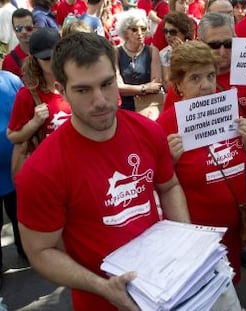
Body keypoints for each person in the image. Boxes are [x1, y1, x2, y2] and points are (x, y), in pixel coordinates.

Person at [16, 32, 191, 311]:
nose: (100, 100)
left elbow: (168, 186)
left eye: (107, 84)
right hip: (99, 299)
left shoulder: (148, 131)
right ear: (61, 90)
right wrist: (103, 288)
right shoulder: (41, 170)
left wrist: (185, 241)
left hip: (165, 285)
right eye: (83, 90)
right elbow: (40, 251)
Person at [157, 40, 246, 285]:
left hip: (233, 229)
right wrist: (168, 162)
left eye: (210, 75)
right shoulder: (165, 126)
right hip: (196, 236)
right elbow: (156, 187)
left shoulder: (229, 110)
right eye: (195, 78)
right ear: (178, 84)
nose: (206, 86)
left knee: (230, 286)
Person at [7, 28, 71, 145]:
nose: (53, 61)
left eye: (56, 54)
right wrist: (34, 123)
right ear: (34, 58)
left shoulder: (76, 83)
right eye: (46, 57)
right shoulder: (27, 95)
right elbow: (12, 136)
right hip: (51, 161)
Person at [0, 70, 25, 287]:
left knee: (19, 213)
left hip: (13, 167)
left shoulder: (10, 79)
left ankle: (26, 250)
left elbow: (23, 112)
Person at [115, 8, 162, 112]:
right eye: (134, 29)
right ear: (125, 31)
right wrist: (144, 89)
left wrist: (129, 89)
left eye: (143, 28)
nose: (140, 33)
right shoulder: (116, 52)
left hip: (147, 108)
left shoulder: (152, 51)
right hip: (124, 109)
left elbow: (155, 85)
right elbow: (117, 87)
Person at [159, 11, 194, 90]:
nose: (168, 35)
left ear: (184, 32)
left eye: (172, 32)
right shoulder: (164, 54)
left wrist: (182, 53)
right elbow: (168, 85)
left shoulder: (195, 50)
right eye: (165, 31)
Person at [2, 8, 34, 79]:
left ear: (35, 27)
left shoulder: (44, 52)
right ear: (14, 30)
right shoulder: (9, 61)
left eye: (28, 28)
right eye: (18, 29)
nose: (24, 32)